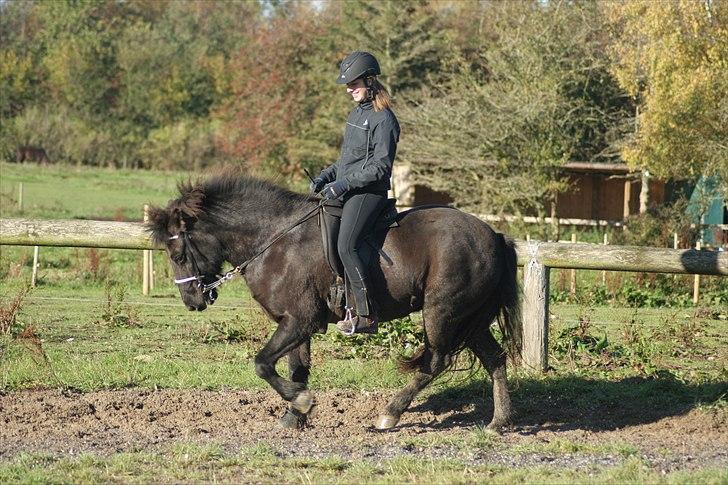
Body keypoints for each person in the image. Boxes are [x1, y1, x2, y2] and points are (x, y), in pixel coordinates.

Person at [310, 51, 400, 335]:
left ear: (370, 82)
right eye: (348, 85)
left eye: (354, 84)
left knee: (346, 245)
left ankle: (366, 314)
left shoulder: (383, 120)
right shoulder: (356, 114)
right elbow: (347, 160)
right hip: (347, 188)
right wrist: (327, 175)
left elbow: (380, 167)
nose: (349, 89)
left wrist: (344, 184)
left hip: (368, 193)